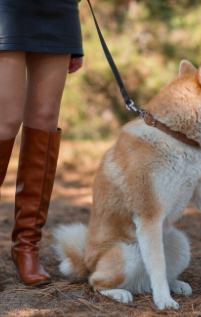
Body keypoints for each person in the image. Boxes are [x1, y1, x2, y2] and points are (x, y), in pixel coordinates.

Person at [0, 0, 83, 288]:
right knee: (5, 121)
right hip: (7, 7)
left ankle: (26, 247)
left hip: (59, 8)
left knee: (45, 119)